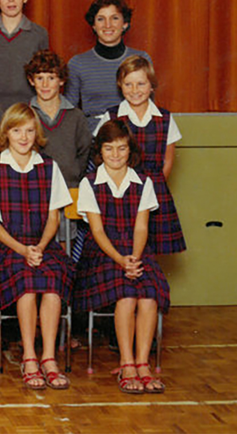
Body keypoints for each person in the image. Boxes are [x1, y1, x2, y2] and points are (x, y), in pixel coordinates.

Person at [0, 104, 74, 391]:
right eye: (17, 130)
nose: (23, 136)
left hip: (43, 244)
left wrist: (41, 246)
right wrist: (22, 249)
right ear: (6, 133)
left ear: (37, 134)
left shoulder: (49, 166)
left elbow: (53, 217)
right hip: (8, 246)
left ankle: (49, 357)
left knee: (53, 282)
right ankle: (29, 356)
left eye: (30, 131)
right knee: (28, 283)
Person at [72, 120, 169, 394]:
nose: (115, 155)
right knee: (126, 294)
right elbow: (97, 230)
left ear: (131, 150)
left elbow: (141, 226)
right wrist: (120, 260)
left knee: (149, 295)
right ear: (99, 151)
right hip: (103, 253)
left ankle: (143, 363)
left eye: (122, 148)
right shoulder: (90, 183)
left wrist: (135, 258)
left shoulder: (143, 182)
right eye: (108, 148)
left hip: (135, 251)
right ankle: (127, 364)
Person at [92, 56, 185, 256]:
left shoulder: (165, 119)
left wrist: (152, 190)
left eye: (141, 84)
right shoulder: (112, 116)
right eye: (128, 84)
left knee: (149, 250)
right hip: (119, 192)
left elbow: (168, 160)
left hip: (152, 190)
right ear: (120, 86)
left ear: (152, 85)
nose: (135, 90)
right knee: (121, 245)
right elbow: (100, 154)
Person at [64, 0, 152, 131]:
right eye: (101, 19)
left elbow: (148, 107)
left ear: (125, 24)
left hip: (132, 136)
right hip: (92, 139)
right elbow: (69, 111)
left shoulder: (141, 59)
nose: (107, 25)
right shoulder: (77, 64)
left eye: (114, 18)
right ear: (93, 25)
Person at [24, 49, 91, 188]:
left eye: (51, 78)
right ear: (31, 80)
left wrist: (74, 175)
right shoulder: (24, 115)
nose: (45, 85)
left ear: (61, 80)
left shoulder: (76, 117)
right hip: (33, 188)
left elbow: (84, 154)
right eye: (39, 78)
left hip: (70, 187)